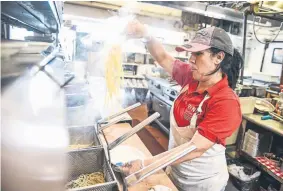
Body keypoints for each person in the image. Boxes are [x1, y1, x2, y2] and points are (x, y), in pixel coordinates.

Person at [118, 20, 243, 191]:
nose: (191, 59)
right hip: (175, 172)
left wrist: (145, 165)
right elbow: (163, 57)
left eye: (198, 54)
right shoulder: (192, 77)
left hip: (203, 183)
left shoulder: (226, 101)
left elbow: (194, 149)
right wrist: (146, 35)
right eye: (191, 53)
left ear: (218, 58)